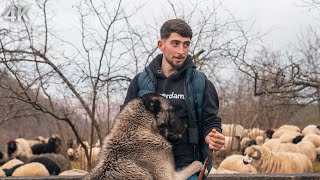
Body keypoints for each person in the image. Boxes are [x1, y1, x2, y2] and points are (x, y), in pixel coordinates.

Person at [122, 19, 225, 179]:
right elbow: (125, 125)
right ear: (161, 45)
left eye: (186, 44)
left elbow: (210, 121)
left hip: (186, 167)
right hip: (146, 169)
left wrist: (212, 136)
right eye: (175, 43)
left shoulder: (200, 82)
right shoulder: (140, 82)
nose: (181, 51)